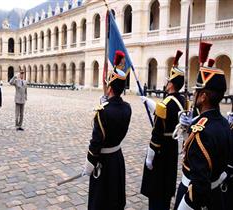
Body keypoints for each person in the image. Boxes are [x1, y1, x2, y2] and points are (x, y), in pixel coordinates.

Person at [174, 45, 231, 210]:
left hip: (193, 197)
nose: (194, 95)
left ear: (204, 96)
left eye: (197, 92)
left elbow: (199, 186)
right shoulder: (224, 124)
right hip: (217, 196)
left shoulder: (201, 132)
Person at [82, 50, 132, 210]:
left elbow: (95, 143)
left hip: (102, 163)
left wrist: (89, 163)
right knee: (115, 199)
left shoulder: (102, 111)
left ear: (110, 88)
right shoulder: (127, 108)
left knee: (100, 201)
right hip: (117, 158)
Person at [140, 50, 185, 210]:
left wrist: (150, 158)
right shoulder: (183, 101)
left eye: (167, 81)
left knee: (156, 190)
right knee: (167, 185)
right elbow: (168, 113)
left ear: (171, 84)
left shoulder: (165, 104)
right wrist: (150, 103)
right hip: (172, 147)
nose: (166, 84)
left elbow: (156, 135)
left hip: (161, 151)